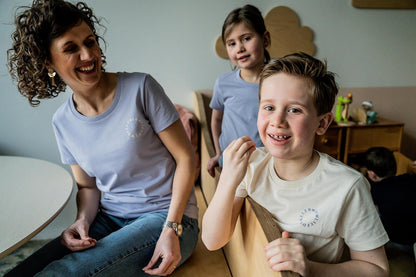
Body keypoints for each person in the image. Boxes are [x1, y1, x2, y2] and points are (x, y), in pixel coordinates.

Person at [6, 0, 198, 276]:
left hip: (167, 218)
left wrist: (171, 228)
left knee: (62, 273)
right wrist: (82, 221)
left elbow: (185, 158)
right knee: (24, 270)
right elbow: (88, 187)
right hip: (108, 219)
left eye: (90, 42)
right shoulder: (62, 121)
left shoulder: (141, 88)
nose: (88, 55)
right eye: (71, 48)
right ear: (47, 61)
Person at [202, 52, 390, 276]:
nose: (277, 121)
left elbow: (378, 269)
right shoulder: (252, 165)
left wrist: (310, 267)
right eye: (269, 107)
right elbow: (212, 241)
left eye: (294, 110)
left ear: (322, 123)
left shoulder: (348, 186)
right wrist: (227, 180)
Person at [207, 4, 270, 177]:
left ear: (265, 39)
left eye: (246, 38)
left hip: (267, 162)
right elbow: (216, 120)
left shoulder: (277, 82)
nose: (239, 48)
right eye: (232, 43)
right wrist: (218, 153)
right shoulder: (223, 83)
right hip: (231, 161)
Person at [362, 147, 416, 255]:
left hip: (399, 242)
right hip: (414, 240)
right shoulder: (409, 179)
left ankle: (379, 249)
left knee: (370, 209)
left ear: (372, 174)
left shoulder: (373, 191)